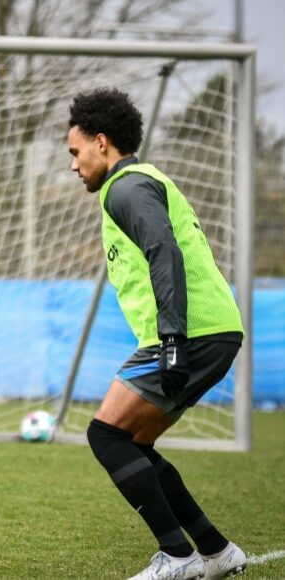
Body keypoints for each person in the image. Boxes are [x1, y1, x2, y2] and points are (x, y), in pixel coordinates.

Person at [67, 87, 246, 580]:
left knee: (105, 435)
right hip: (210, 330)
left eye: (75, 152)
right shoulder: (140, 181)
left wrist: (170, 341)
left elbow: (163, 251)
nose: (74, 164)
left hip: (191, 332)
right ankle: (214, 550)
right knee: (133, 443)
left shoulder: (125, 187)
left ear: (101, 142)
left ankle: (178, 556)